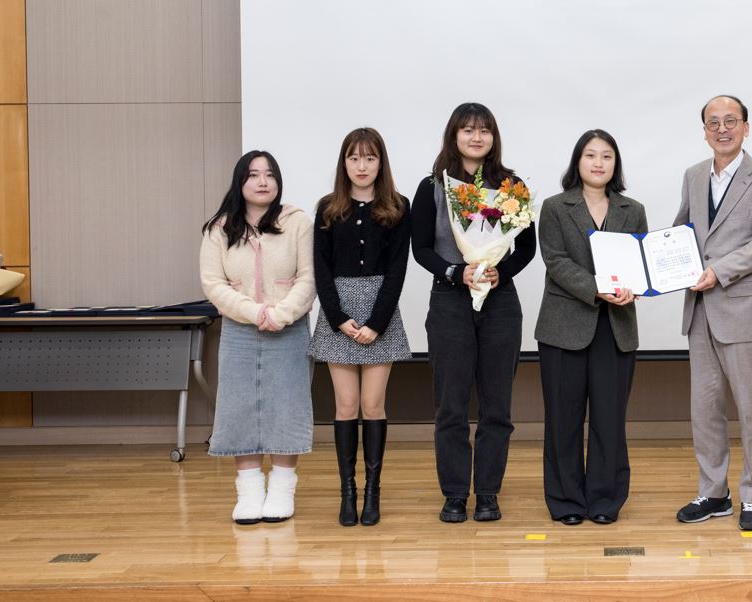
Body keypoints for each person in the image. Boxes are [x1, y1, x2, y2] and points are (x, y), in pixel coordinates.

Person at [410, 102, 537, 524]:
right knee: (450, 404)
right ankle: (453, 494)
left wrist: (501, 273)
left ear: (493, 137)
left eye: (484, 130)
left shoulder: (512, 186)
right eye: (467, 130)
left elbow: (527, 247)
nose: (476, 137)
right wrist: (454, 271)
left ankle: (487, 493)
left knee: (497, 405)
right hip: (450, 301)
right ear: (454, 135)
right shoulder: (432, 187)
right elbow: (421, 248)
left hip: (500, 304)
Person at [672, 94, 752, 531]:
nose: (722, 129)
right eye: (713, 123)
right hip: (700, 309)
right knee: (705, 409)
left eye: (731, 121)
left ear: (746, 127)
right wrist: (662, 265)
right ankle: (714, 492)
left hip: (742, 306)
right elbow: (683, 230)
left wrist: (719, 270)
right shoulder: (693, 175)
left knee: (751, 409)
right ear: (704, 131)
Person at [534, 130, 646, 525]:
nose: (599, 163)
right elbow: (556, 261)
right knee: (562, 420)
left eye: (607, 156)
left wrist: (635, 287)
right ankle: (566, 501)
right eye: (590, 155)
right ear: (577, 161)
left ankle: (604, 500)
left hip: (616, 327)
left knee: (609, 419)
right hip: (563, 326)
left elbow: (639, 264)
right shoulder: (554, 207)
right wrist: (597, 287)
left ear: (616, 164)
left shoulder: (633, 209)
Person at [199, 150, 316, 525]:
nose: (263, 181)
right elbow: (213, 284)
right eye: (253, 175)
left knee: (287, 406)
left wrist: (280, 314)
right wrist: (255, 312)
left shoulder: (297, 222)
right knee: (239, 407)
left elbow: (309, 277)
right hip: (239, 329)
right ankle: (249, 492)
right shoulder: (218, 229)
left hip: (289, 328)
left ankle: (282, 489)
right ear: (240, 181)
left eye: (270, 174)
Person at [308, 127, 412, 527]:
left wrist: (376, 323)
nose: (362, 166)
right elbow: (321, 269)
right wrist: (338, 318)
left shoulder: (398, 207)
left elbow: (398, 270)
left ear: (381, 163)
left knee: (372, 405)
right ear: (344, 163)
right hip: (339, 314)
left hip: (379, 313)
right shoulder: (328, 208)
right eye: (354, 158)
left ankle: (372, 492)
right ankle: (347, 493)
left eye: (370, 158)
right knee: (346, 406)